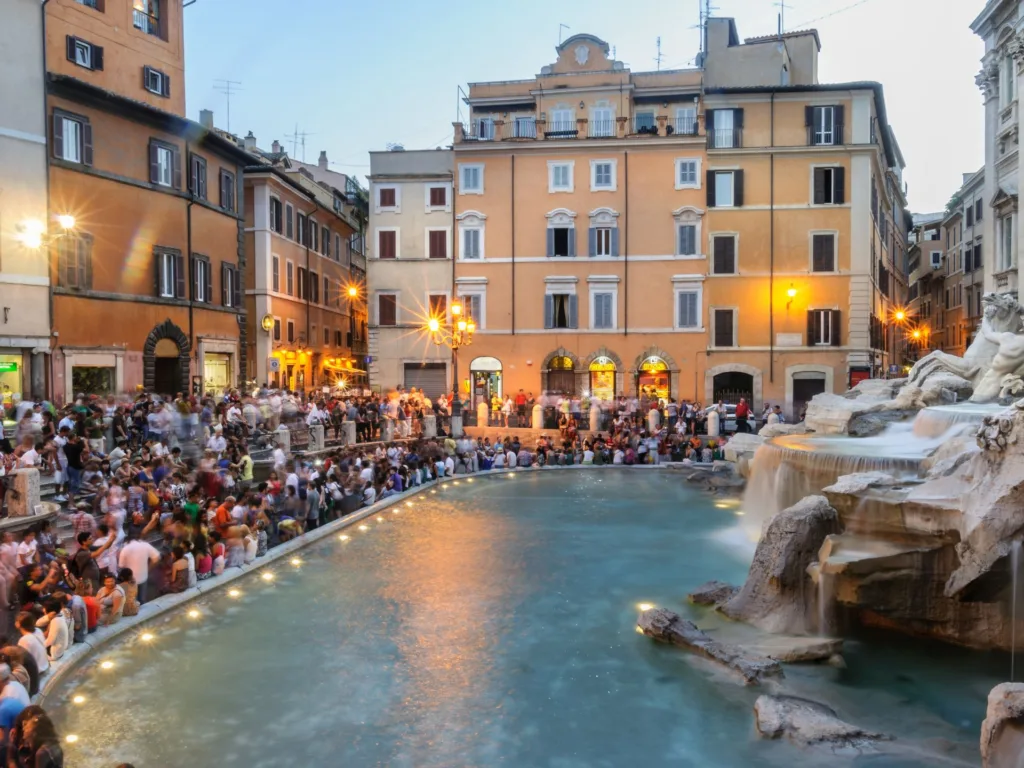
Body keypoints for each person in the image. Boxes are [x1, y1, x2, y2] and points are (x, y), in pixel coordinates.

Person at [117, 533, 160, 605]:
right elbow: (157, 558)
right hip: (143, 577)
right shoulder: (145, 545)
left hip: (131, 580)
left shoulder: (125, 549)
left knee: (133, 601)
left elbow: (121, 566)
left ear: (128, 540)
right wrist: (148, 569)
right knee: (142, 601)